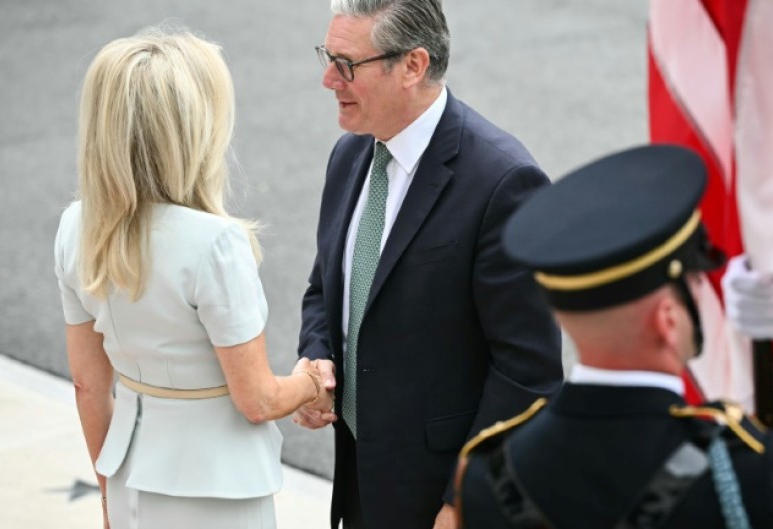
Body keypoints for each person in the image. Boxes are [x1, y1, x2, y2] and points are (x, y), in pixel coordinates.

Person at [454, 144, 773, 528]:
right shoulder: (745, 471)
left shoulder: (485, 476)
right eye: (698, 280)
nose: (705, 291)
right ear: (667, 319)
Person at [292, 1, 563, 527]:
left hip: (441, 501)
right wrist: (317, 360)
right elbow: (324, 289)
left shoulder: (503, 182)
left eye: (347, 64)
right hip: (360, 484)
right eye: (328, 57)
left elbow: (528, 373)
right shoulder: (350, 156)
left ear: (413, 66)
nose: (329, 79)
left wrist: (464, 498)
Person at [54, 28, 334, 529]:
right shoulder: (215, 244)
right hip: (218, 490)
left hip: (127, 477)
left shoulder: (76, 227)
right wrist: (313, 383)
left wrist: (108, 497)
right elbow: (258, 399)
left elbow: (87, 386)